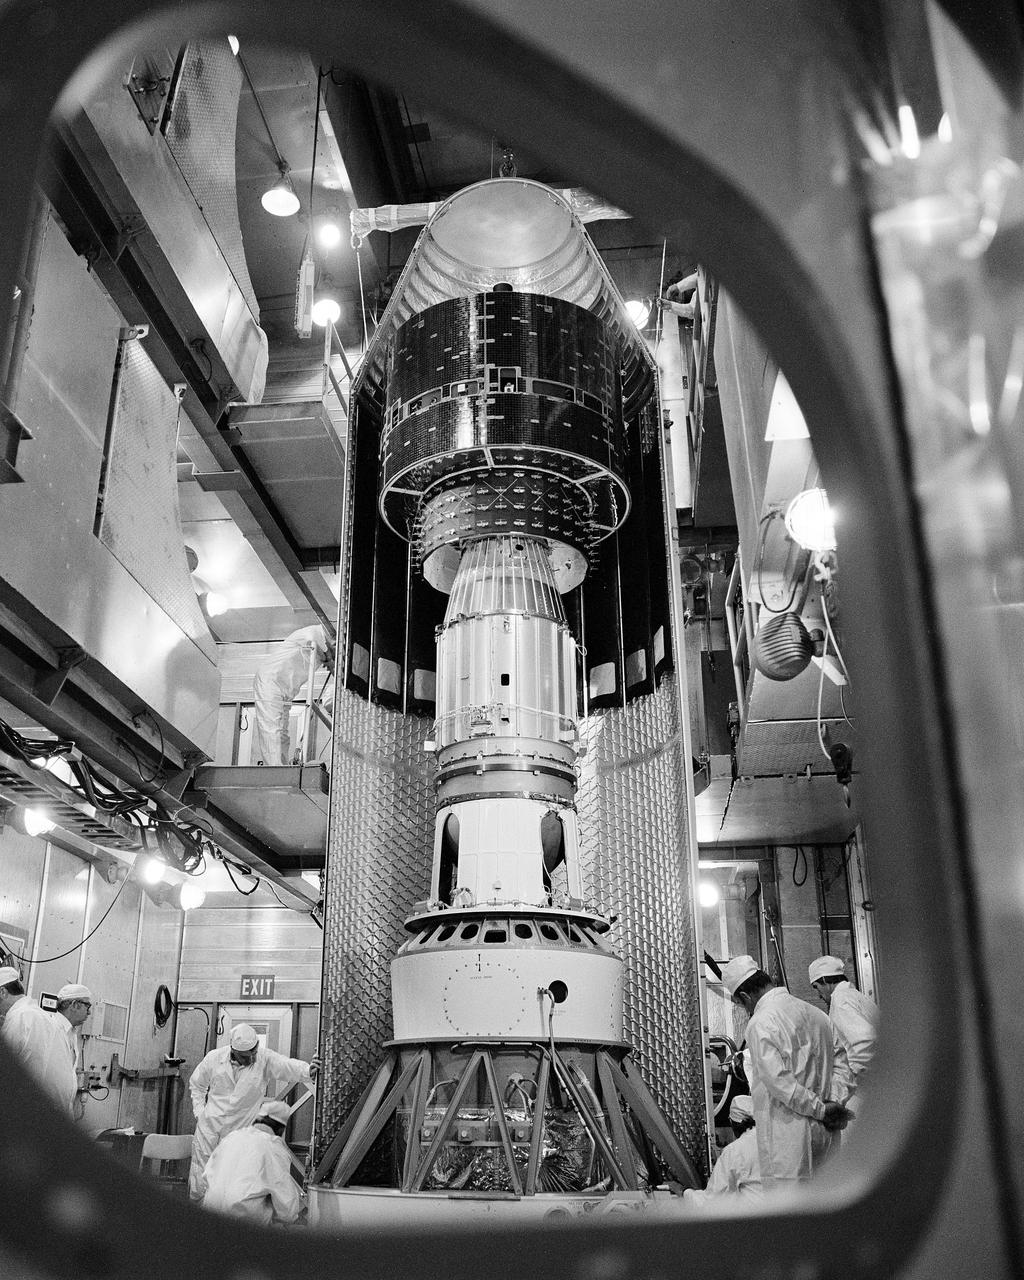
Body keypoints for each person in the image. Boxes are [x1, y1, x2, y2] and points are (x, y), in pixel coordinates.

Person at [721, 955, 852, 1194]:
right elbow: (843, 1064)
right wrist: (834, 1101)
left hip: (789, 1140)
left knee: (793, 1216)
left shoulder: (761, 1022)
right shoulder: (817, 1014)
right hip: (827, 1135)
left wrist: (821, 1109)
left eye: (742, 1006)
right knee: (826, 1206)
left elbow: (780, 1083)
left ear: (745, 997)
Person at [187, 1023, 316, 1201]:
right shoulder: (214, 1058)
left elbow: (286, 1066)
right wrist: (200, 1113)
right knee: (201, 1179)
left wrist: (308, 1070)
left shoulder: (263, 1059)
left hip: (239, 1132)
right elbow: (197, 1085)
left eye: (253, 1053)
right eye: (245, 1056)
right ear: (233, 1050)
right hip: (208, 1130)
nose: (252, 1059)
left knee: (234, 1182)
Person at [0, 972, 92, 1115]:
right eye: (87, 1005)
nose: (90, 1012)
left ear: (2, 992)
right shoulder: (37, 1016)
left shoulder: (21, 1016)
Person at [200, 1099, 305, 1225]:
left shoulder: (231, 1138)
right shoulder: (272, 1147)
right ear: (280, 1130)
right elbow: (286, 1204)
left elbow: (206, 1175)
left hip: (209, 1216)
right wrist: (290, 1218)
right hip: (244, 1224)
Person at [252, 624, 334, 765]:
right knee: (272, 730)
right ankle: (275, 773)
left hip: (286, 690)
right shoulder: (313, 633)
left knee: (282, 734)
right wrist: (332, 662)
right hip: (271, 680)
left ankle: (281, 771)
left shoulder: (321, 648)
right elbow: (320, 644)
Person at [808, 955, 880, 1108]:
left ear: (825, 981)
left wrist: (847, 1077)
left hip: (869, 1084)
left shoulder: (841, 1000)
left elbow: (865, 1041)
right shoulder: (855, 996)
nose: (818, 995)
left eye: (816, 987)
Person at [684, 1095, 762, 1207]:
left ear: (734, 1123)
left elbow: (712, 1200)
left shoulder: (735, 1150)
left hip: (755, 1219)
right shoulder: (775, 1141)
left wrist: (686, 1192)